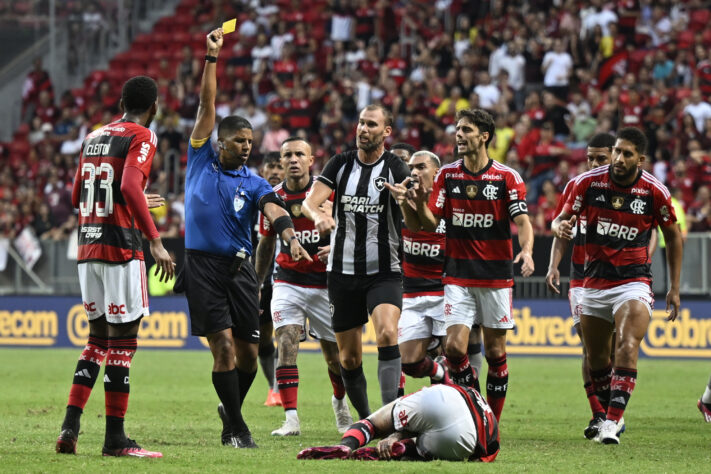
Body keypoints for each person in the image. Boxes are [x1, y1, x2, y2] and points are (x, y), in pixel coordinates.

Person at [181, 28, 311, 449]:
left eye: (251, 142)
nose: (246, 147)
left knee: (251, 357)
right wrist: (212, 58)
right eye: (239, 141)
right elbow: (207, 104)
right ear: (220, 142)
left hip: (240, 270)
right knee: (222, 348)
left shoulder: (254, 181)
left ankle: (230, 409)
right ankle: (237, 428)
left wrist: (289, 236)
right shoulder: (200, 159)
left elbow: (274, 209)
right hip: (202, 266)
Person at [387, 108, 534, 423]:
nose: (459, 135)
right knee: (454, 349)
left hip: (496, 278)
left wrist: (528, 251)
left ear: (484, 136)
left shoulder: (507, 177)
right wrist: (407, 204)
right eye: (457, 130)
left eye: (467, 130)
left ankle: (491, 421)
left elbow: (522, 220)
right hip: (457, 278)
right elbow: (429, 223)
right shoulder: (447, 175)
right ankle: (476, 414)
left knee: (495, 354)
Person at [56, 75, 175, 458]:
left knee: (95, 342)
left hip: (88, 247)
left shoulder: (93, 137)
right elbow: (126, 187)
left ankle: (69, 429)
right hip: (121, 249)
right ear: (153, 107)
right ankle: (115, 440)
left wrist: (135, 195)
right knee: (123, 345)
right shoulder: (143, 135)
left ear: (121, 101)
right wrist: (155, 239)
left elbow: (77, 196)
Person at [552, 127, 683, 444]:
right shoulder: (587, 183)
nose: (618, 159)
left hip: (633, 281)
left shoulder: (653, 191)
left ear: (640, 158)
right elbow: (558, 220)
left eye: (626, 153)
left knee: (626, 344)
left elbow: (674, 236)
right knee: (597, 359)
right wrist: (562, 226)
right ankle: (606, 411)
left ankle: (610, 424)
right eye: (617, 152)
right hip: (593, 283)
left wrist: (674, 287)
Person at [302, 104, 411, 419]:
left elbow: (412, 208)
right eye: (361, 123)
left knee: (388, 334)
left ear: (386, 132)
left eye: (371, 124)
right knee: (348, 359)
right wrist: (317, 218)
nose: (363, 129)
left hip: (383, 271)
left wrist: (409, 200)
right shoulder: (340, 164)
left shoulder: (394, 168)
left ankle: (390, 418)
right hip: (342, 273)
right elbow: (310, 203)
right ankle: (367, 421)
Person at [255, 137, 353, 436]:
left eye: (300, 154)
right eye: (288, 155)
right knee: (286, 341)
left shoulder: (327, 195)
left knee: (335, 357)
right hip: (288, 281)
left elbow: (349, 235)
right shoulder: (271, 198)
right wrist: (257, 284)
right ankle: (291, 420)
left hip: (325, 284)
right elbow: (267, 243)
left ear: (311, 160)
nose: (294, 159)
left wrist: (334, 249)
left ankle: (339, 402)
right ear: (280, 162)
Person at [545, 132, 615, 439]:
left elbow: (651, 230)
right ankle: (599, 414)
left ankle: (613, 410)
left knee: (611, 352)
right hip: (582, 278)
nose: (594, 164)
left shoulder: (630, 190)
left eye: (602, 158)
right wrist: (552, 266)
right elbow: (559, 224)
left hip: (619, 278)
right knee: (590, 346)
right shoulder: (579, 186)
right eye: (590, 158)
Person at [296, 383, 499, 462]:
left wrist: (395, 432)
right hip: (468, 440)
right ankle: (405, 449)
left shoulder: (431, 392)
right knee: (423, 446)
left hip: (437, 398)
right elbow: (490, 452)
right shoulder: (489, 418)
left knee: (373, 423)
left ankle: (346, 445)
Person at [395, 151, 449, 386]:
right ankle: (439, 373)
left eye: (421, 167)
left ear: (437, 172)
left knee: (457, 358)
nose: (414, 172)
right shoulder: (400, 202)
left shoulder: (449, 202)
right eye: (411, 168)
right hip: (412, 294)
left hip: (446, 292)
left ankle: (467, 408)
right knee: (408, 363)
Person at [255, 151, 285, 408]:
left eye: (279, 166)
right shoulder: (251, 195)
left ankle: (279, 390)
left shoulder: (290, 199)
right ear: (262, 171)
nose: (275, 170)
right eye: (270, 166)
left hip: (284, 275)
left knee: (284, 331)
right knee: (263, 336)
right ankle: (272, 386)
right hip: (258, 275)